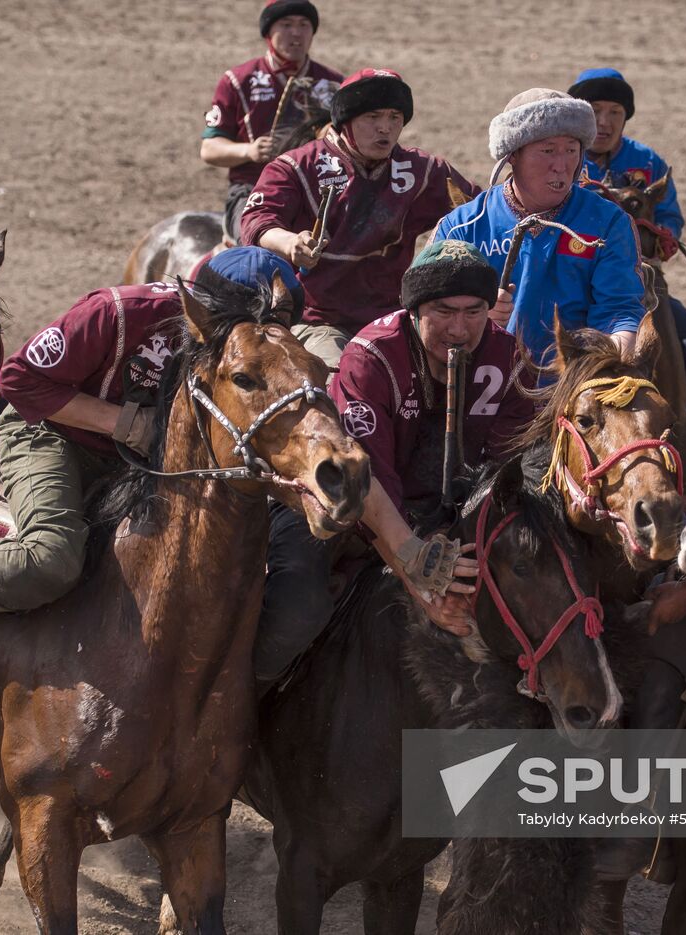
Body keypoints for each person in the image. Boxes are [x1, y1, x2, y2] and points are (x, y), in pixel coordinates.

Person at [0, 248, 305, 699]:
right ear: (208, 312)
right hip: (50, 434)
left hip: (140, 458)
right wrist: (125, 424)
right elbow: (19, 379)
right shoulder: (120, 312)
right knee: (51, 555)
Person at [254, 240, 533, 687]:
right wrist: (420, 577)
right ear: (414, 310)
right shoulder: (370, 357)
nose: (459, 329)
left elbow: (508, 467)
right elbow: (364, 482)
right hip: (346, 503)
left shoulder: (508, 356)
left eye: (474, 311)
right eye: (444, 310)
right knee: (296, 609)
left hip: (444, 510)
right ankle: (253, 701)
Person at [241, 68, 479, 367]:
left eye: (395, 117)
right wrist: (292, 244)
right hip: (320, 322)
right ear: (345, 121)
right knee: (338, 385)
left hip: (395, 318)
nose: (385, 128)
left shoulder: (423, 170)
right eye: (373, 117)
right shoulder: (297, 166)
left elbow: (477, 212)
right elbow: (256, 219)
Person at [433, 89, 644, 377]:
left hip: (574, 396)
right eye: (547, 150)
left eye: (571, 150)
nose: (561, 165)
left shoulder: (608, 224)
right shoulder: (463, 228)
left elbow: (619, 313)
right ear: (512, 156)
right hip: (479, 393)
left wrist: (608, 360)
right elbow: (426, 319)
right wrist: (475, 321)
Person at [568, 67, 686, 417]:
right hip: (574, 285)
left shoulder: (648, 161)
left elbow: (670, 216)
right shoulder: (562, 157)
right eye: (595, 111)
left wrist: (664, 237)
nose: (604, 121)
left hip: (642, 287)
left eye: (615, 112)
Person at [200, 0, 342, 244]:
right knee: (258, 249)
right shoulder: (237, 80)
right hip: (252, 190)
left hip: (318, 192)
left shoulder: (335, 84)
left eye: (304, 25)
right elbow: (210, 149)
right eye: (286, 24)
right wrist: (250, 150)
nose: (296, 33)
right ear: (268, 32)